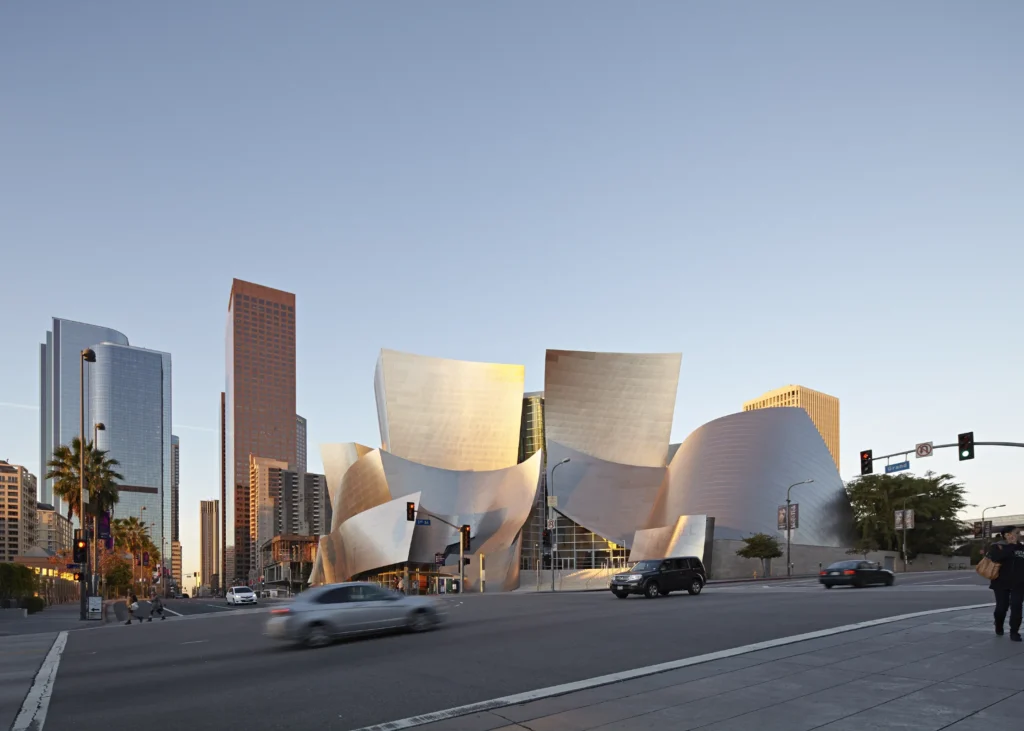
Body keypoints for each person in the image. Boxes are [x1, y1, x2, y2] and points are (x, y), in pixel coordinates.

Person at [987, 526, 1024, 642]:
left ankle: (1014, 632)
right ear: (1007, 535)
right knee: (1001, 608)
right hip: (1000, 583)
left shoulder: (1022, 548)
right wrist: (1011, 546)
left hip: (1019, 583)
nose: (1019, 535)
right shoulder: (997, 547)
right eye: (1016, 533)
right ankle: (998, 624)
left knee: (1017, 606)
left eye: (1019, 533)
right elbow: (996, 558)